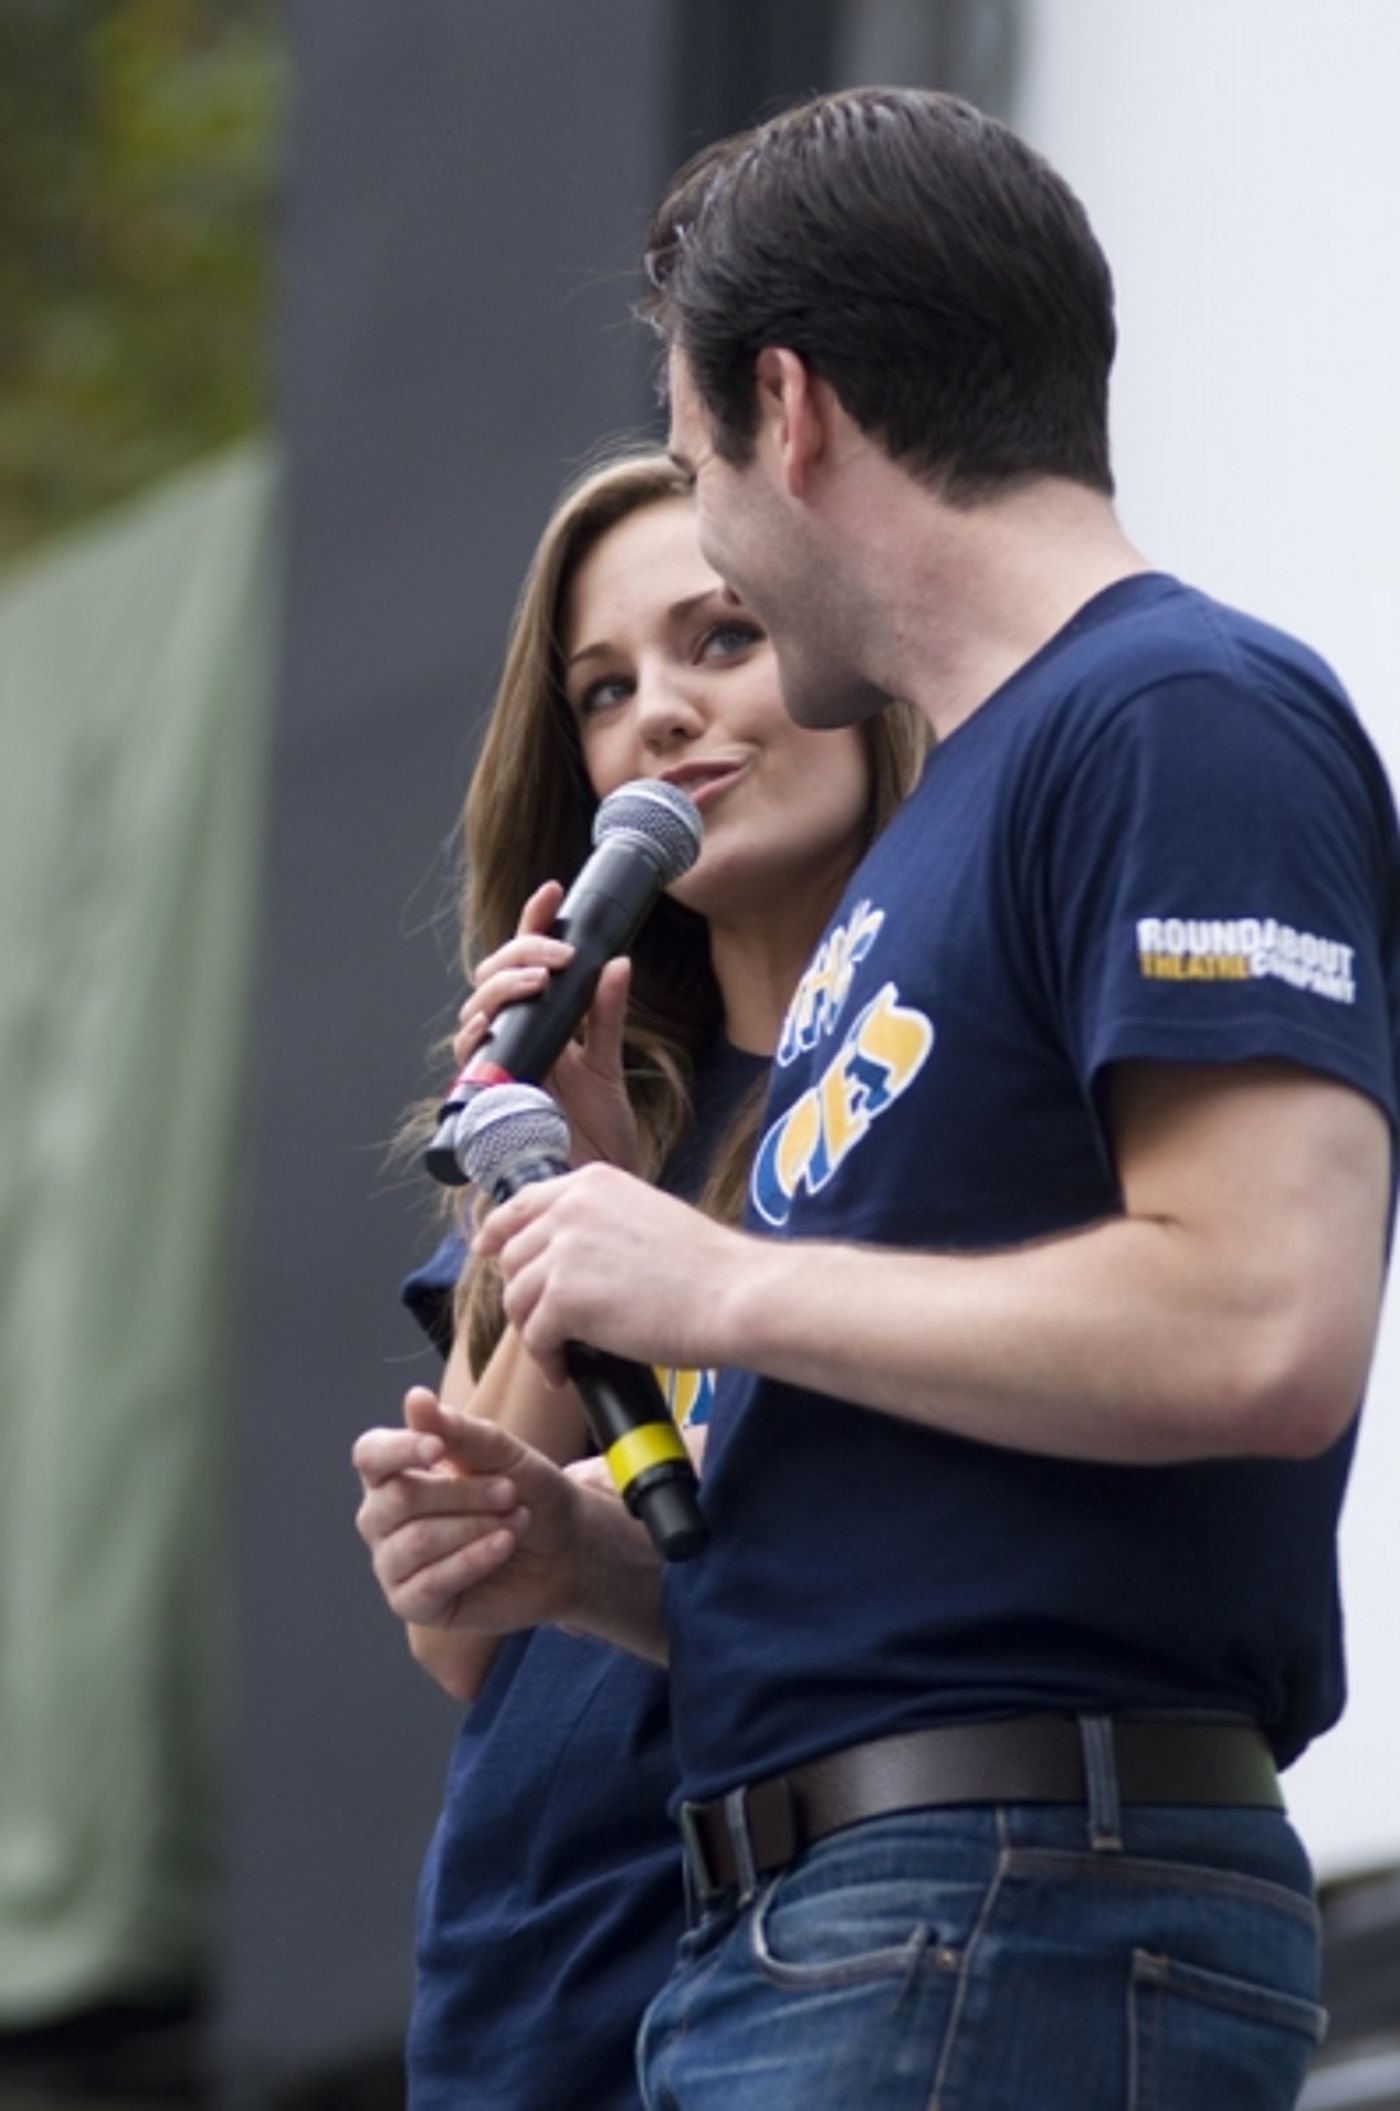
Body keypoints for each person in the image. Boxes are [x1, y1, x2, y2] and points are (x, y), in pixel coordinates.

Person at [425, 88, 1400, 2110]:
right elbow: (937, 1519)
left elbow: (1255, 1324)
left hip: (998, 1904)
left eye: (697, 472)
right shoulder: (948, 831)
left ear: (788, 412)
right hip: (855, 1923)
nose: (717, 541)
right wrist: (595, 1572)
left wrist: (709, 1281)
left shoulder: (1173, 713)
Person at [351, 444, 924, 2110]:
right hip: (525, 1965)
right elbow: (460, 1631)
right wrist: (562, 1161)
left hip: (810, 1933)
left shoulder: (943, 1061)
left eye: (724, 640)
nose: (663, 714)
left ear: (848, 658)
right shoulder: (611, 1103)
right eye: (608, 690)